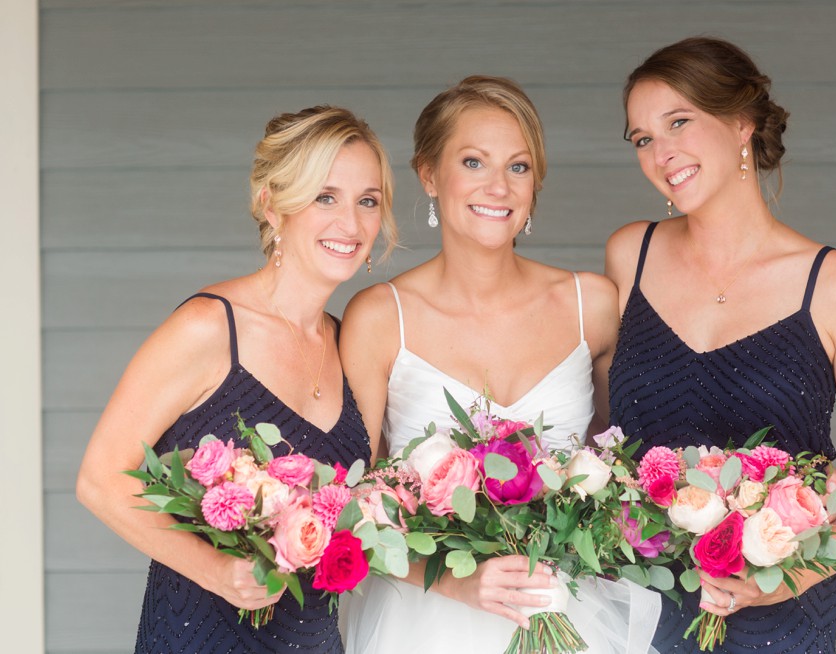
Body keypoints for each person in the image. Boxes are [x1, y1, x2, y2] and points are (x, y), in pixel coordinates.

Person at [605, 37, 836, 652]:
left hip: (777, 621)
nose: (660, 152)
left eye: (679, 123)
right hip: (637, 604)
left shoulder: (832, 286)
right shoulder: (630, 255)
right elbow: (599, 431)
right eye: (643, 138)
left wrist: (789, 576)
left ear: (741, 124)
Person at [340, 75, 661, 654]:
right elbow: (352, 505)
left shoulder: (593, 304)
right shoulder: (380, 317)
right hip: (423, 624)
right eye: (473, 162)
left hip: (569, 614)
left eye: (518, 167)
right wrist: (460, 581)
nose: (499, 186)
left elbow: (623, 461)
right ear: (429, 175)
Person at [76, 105, 397, 653]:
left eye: (367, 201)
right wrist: (217, 571)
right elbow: (101, 480)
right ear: (273, 206)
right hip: (199, 637)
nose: (351, 223)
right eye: (325, 197)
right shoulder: (208, 329)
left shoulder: (352, 347)